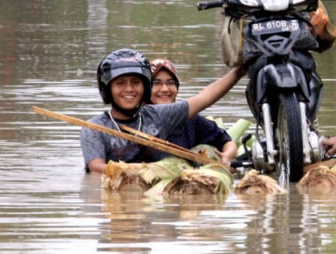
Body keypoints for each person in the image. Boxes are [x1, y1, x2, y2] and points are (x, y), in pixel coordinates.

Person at [80, 48, 244, 173]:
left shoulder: (158, 115)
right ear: (107, 90)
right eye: (120, 83)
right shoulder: (94, 127)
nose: (129, 89)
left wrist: (240, 71)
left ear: (145, 88)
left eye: (136, 82)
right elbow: (96, 169)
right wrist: (147, 171)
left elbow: (204, 97)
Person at [144, 58, 237, 164]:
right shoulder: (138, 120)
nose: (165, 89)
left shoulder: (189, 119)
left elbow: (226, 140)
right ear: (145, 89)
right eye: (157, 83)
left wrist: (226, 157)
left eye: (170, 83)